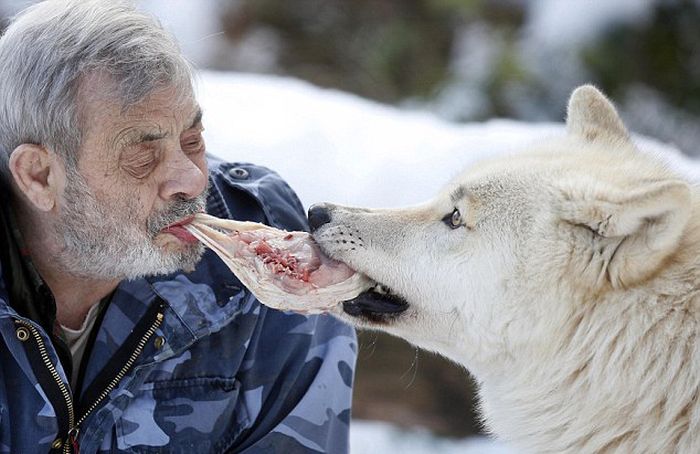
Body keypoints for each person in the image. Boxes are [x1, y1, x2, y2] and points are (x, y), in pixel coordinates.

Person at [0, 1, 357, 452]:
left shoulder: (262, 251)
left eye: (193, 141)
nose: (191, 179)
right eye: (141, 156)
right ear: (38, 176)